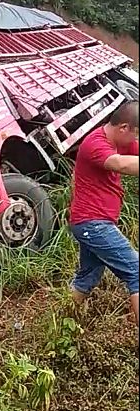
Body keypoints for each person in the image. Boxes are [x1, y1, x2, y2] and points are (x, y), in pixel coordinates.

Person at [70, 99, 139, 326]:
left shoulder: (120, 141)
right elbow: (121, 164)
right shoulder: (94, 143)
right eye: (136, 134)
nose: (135, 140)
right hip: (93, 224)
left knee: (87, 278)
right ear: (124, 128)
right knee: (137, 271)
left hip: (92, 223)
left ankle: (63, 325)